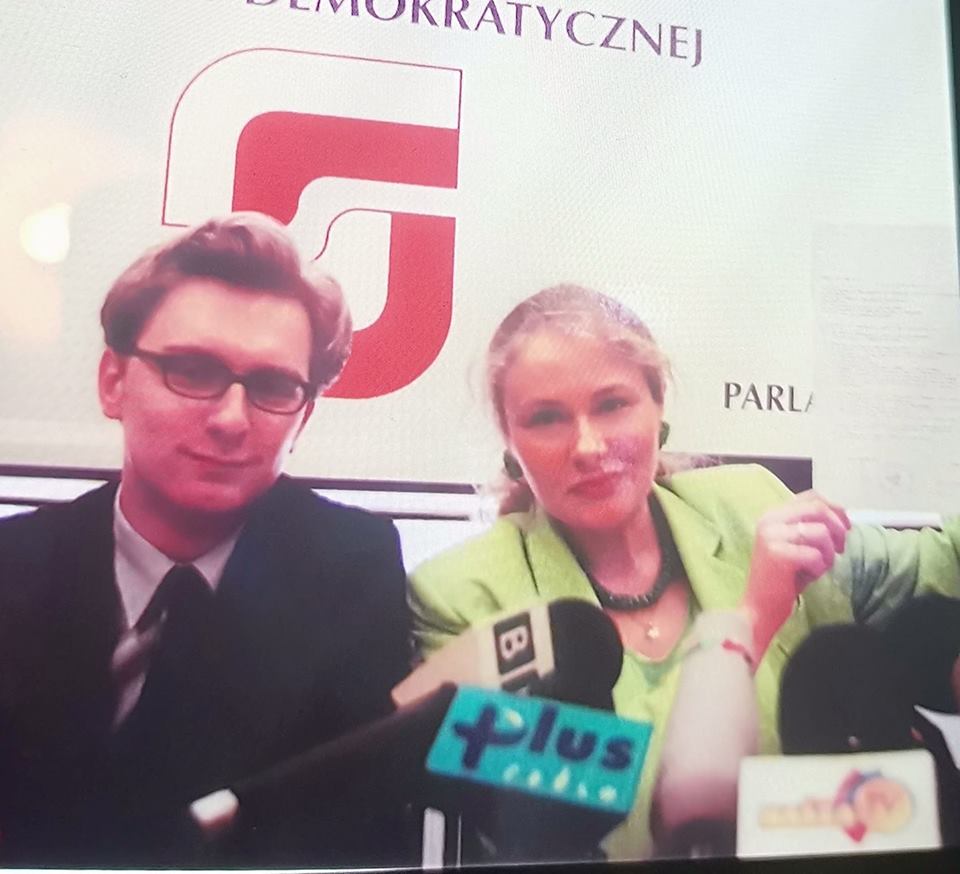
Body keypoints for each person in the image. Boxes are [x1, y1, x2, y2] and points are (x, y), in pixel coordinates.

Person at [408, 284, 960, 860]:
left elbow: (945, 566)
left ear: (658, 408)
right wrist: (748, 626)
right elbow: (615, 831)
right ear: (510, 443)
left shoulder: (750, 503)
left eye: (612, 404)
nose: (588, 446)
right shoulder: (457, 596)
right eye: (546, 418)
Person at [0, 214, 412, 866]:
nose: (230, 419)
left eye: (273, 386)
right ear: (113, 382)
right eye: (192, 371)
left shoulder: (350, 569)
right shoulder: (14, 566)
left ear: (304, 417)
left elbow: (360, 832)